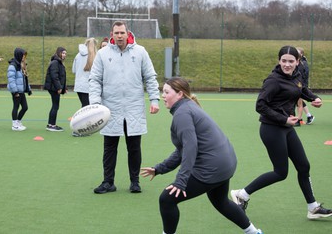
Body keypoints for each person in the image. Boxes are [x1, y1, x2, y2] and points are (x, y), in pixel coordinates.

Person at [140, 77, 263, 234]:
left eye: (166, 92)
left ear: (179, 94)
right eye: (162, 91)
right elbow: (183, 150)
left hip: (212, 167)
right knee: (221, 201)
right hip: (226, 163)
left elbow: (190, 148)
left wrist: (181, 182)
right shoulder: (188, 106)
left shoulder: (182, 113)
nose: (162, 95)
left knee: (167, 199)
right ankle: (254, 232)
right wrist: (159, 169)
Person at [231, 45, 332, 220]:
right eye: (284, 61)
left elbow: (301, 90)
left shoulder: (296, 75)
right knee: (280, 172)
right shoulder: (273, 81)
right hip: (272, 129)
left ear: (297, 62)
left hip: (286, 128)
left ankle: (312, 207)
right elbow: (260, 106)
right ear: (279, 61)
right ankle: (242, 194)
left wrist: (314, 98)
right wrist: (283, 119)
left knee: (303, 166)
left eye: (291, 61)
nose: (287, 64)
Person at [89, 20, 160, 194]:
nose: (119, 36)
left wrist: (154, 100)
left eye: (122, 33)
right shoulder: (103, 54)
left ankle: (134, 182)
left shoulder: (140, 52)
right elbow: (95, 79)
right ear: (111, 34)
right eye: (116, 33)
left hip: (133, 108)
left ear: (128, 33)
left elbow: (150, 77)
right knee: (109, 148)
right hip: (109, 109)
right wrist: (96, 104)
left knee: (134, 148)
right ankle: (108, 182)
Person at [72, 38, 98, 137]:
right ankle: (78, 130)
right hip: (88, 86)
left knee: (85, 107)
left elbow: (74, 70)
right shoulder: (94, 56)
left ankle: (83, 128)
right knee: (86, 109)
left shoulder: (78, 55)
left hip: (79, 85)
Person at [44, 47, 68, 132]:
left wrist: (64, 88)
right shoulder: (55, 62)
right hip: (53, 88)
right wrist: (59, 87)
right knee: (55, 106)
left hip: (55, 87)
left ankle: (51, 124)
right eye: (63, 53)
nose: (64, 55)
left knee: (55, 106)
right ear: (59, 53)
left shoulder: (59, 62)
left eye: (65, 53)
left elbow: (61, 76)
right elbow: (55, 77)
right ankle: (52, 126)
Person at [7, 48, 31, 131]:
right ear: (19, 55)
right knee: (16, 106)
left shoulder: (22, 65)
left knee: (25, 107)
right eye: (23, 55)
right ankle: (14, 124)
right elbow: (11, 79)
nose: (24, 57)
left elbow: (25, 78)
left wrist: (28, 89)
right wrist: (15, 91)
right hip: (16, 90)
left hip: (21, 90)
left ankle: (18, 121)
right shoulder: (13, 65)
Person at [295, 47, 314, 126]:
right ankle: (309, 116)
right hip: (298, 85)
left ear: (301, 54)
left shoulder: (302, 64)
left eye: (297, 52)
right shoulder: (299, 62)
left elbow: (303, 77)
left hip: (301, 86)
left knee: (299, 102)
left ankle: (298, 120)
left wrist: (302, 86)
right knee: (298, 102)